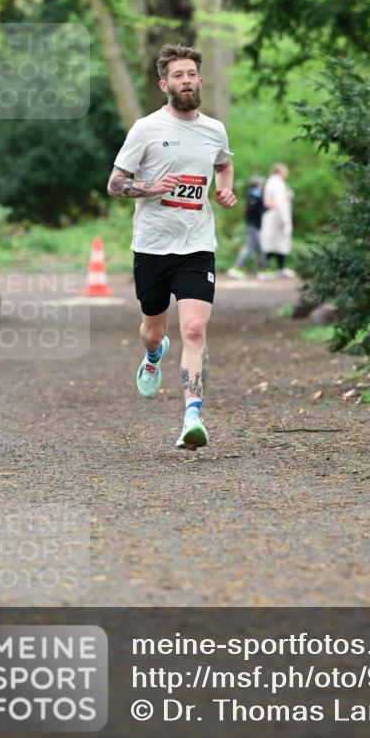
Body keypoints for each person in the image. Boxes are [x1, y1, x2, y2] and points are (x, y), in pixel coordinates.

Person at [107, 43, 236, 451]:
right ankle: (153, 355)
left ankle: (192, 417)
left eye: (191, 74)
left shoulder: (214, 129)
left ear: (200, 80)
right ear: (165, 85)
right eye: (178, 76)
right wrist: (150, 186)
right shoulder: (146, 129)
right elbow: (115, 183)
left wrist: (224, 188)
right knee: (154, 330)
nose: (186, 81)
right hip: (152, 246)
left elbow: (223, 163)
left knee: (195, 329)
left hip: (197, 245)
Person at [227, 176, 268, 279]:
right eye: (260, 184)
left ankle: (264, 268)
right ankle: (236, 267)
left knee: (258, 247)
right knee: (249, 246)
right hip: (252, 224)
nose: (262, 186)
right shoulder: (253, 196)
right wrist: (267, 207)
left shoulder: (256, 195)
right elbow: (255, 211)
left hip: (255, 225)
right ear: (257, 185)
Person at [260, 162, 296, 278]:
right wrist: (284, 218)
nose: (287, 173)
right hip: (276, 217)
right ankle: (264, 268)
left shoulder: (276, 182)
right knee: (274, 243)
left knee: (280, 244)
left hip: (275, 216)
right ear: (280, 171)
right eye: (285, 171)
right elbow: (280, 201)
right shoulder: (276, 183)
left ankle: (280, 268)